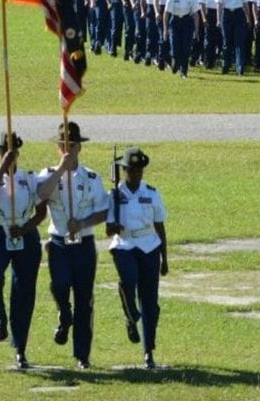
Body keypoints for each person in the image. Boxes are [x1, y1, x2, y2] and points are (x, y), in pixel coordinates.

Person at [0, 132, 60, 369]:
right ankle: (1, 316)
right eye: (3, 151)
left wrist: (25, 229)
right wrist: (4, 166)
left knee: (24, 292)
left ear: (18, 153)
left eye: (11, 152)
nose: (8, 154)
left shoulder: (29, 179)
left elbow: (41, 211)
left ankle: (20, 348)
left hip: (24, 235)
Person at [38, 122, 107, 370]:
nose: (69, 150)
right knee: (59, 285)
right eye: (64, 145)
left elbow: (103, 211)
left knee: (84, 299)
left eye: (73, 145)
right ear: (58, 147)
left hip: (84, 243)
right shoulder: (49, 174)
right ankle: (63, 314)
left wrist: (84, 222)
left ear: (80, 147)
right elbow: (41, 194)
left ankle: (82, 354)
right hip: (58, 242)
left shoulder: (91, 177)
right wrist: (60, 170)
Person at [106, 147, 169, 370]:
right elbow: (108, 230)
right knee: (128, 280)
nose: (135, 175)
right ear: (124, 171)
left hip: (148, 246)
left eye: (139, 171)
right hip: (124, 244)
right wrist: (113, 226)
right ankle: (131, 314)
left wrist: (165, 258)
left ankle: (148, 351)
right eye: (131, 171)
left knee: (150, 302)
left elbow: (160, 226)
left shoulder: (151, 193)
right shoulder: (114, 194)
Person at [163, 0, 199, 78]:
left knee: (186, 47)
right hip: (175, 22)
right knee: (175, 46)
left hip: (187, 22)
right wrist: (165, 29)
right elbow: (166, 13)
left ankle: (184, 71)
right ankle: (175, 61)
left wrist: (196, 31)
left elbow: (196, 14)